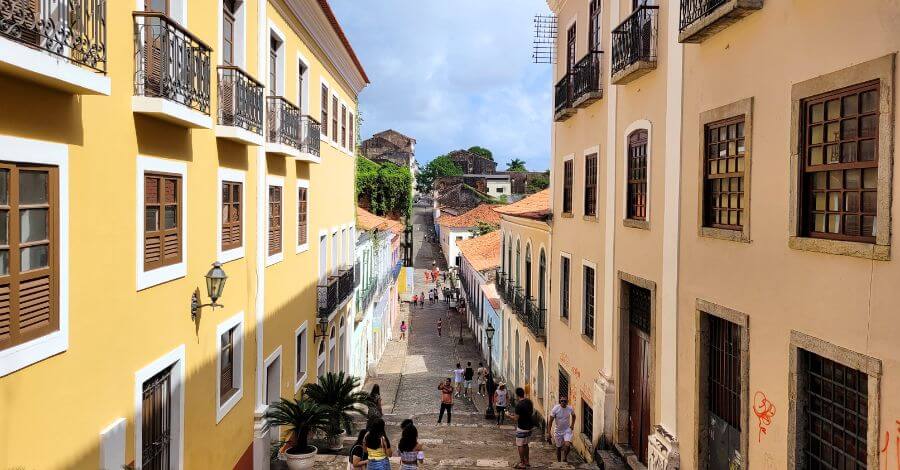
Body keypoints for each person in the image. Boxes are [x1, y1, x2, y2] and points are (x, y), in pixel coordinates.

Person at [510, 387, 535, 469]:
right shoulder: (529, 402)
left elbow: (516, 418)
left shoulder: (518, 405)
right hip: (530, 426)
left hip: (522, 427)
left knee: (520, 445)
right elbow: (531, 412)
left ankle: (522, 463)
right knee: (526, 444)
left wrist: (508, 415)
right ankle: (527, 461)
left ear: (517, 395)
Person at [547, 396, 576, 463]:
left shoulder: (569, 408)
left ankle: (565, 457)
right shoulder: (555, 409)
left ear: (567, 402)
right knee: (558, 448)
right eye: (562, 401)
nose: (563, 402)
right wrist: (549, 433)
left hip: (567, 430)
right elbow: (550, 421)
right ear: (560, 401)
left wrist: (572, 425)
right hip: (558, 431)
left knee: (567, 445)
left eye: (565, 401)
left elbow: (574, 416)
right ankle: (559, 462)